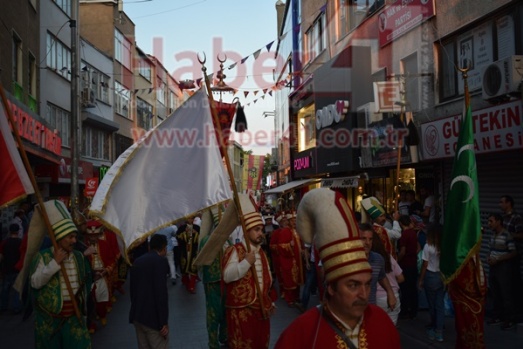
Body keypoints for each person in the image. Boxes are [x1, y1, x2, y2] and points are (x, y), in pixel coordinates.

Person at [275, 188, 400, 348]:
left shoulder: (382, 322)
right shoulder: (301, 334)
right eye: (353, 285)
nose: (364, 295)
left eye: (368, 284)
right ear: (331, 287)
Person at [28, 200, 92, 349]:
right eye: (70, 237)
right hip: (50, 320)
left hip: (75, 318)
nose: (74, 241)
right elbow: (35, 283)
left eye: (75, 236)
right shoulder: (43, 257)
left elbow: (86, 284)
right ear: (59, 238)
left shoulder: (78, 257)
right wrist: (54, 263)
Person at [222, 194, 276, 349]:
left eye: (262, 229)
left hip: (261, 311)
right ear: (246, 231)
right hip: (241, 313)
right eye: (256, 230)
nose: (261, 233)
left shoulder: (261, 253)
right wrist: (246, 262)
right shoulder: (236, 250)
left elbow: (266, 279)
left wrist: (269, 301)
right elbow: (227, 276)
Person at [129, 234, 170, 349]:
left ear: (149, 246)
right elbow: (161, 293)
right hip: (153, 320)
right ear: (164, 248)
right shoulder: (160, 262)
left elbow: (132, 291)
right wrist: (163, 321)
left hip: (138, 316)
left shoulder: (137, 262)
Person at [199, 208, 229, 349]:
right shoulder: (206, 240)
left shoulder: (228, 239)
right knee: (213, 313)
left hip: (227, 281)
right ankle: (212, 342)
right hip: (212, 282)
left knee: (225, 311)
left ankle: (224, 336)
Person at [84, 219, 119, 330]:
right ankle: (92, 323)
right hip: (89, 278)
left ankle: (102, 315)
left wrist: (105, 271)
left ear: (99, 234)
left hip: (102, 276)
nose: (93, 238)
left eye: (95, 235)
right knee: (90, 301)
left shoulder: (104, 244)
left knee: (102, 298)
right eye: (91, 235)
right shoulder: (83, 246)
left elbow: (111, 260)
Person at [486, 213, 517, 330]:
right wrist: (489, 257)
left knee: (506, 293)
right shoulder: (493, 235)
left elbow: (513, 252)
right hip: (493, 267)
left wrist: (498, 259)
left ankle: (510, 319)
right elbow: (491, 249)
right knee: (495, 292)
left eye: (491, 221)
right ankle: (498, 316)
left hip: (503, 267)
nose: (489, 224)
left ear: (498, 222)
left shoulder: (506, 235)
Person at [359, 223, 397, 310]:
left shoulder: (378, 259)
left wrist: (390, 292)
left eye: (370, 239)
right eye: (363, 239)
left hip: (370, 308)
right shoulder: (348, 261)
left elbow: (382, 277)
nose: (367, 243)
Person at [270, 212, 304, 309]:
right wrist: (290, 245)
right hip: (289, 260)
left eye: (295, 220)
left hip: (297, 260)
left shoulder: (296, 231)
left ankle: (296, 297)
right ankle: (290, 299)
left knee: (297, 280)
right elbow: (280, 246)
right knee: (290, 280)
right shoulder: (285, 231)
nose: (294, 222)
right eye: (293, 220)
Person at [418, 223, 445, 342]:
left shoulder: (428, 246)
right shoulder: (444, 246)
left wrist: (421, 279)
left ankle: (434, 327)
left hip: (430, 275)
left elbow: (425, 264)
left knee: (432, 304)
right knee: (440, 305)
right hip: (441, 276)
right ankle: (439, 331)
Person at [373, 230, 404, 325]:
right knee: (391, 331)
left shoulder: (369, 259)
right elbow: (401, 278)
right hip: (394, 296)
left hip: (377, 298)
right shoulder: (388, 257)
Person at [397, 215, 420, 319]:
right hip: (413, 263)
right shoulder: (413, 233)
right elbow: (418, 247)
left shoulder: (404, 234)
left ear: (401, 223)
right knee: (412, 289)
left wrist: (397, 260)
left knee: (404, 288)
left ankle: (405, 309)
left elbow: (402, 251)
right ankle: (413, 310)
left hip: (405, 264)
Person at [0, 223, 23, 313]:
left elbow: (1, 257)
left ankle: (3, 306)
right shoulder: (20, 242)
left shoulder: (4, 243)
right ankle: (16, 307)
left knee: (5, 289)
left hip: (7, 269)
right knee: (16, 290)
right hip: (17, 269)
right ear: (18, 231)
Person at [177, 221, 200, 294]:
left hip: (193, 251)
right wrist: (185, 234)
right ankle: (185, 281)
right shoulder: (182, 228)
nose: (190, 219)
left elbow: (201, 237)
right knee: (184, 266)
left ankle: (191, 286)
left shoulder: (197, 227)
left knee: (193, 267)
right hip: (184, 251)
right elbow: (178, 237)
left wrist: (195, 233)